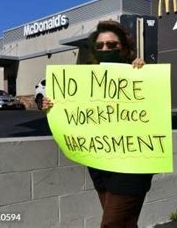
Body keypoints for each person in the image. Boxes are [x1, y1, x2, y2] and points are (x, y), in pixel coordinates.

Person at [42, 21, 151, 228]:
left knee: (111, 224)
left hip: (132, 166)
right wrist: (50, 105)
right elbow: (74, 113)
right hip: (99, 164)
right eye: (99, 46)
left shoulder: (140, 73)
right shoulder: (86, 79)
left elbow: (154, 108)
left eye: (111, 45)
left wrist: (143, 73)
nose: (105, 49)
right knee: (125, 223)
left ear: (125, 48)